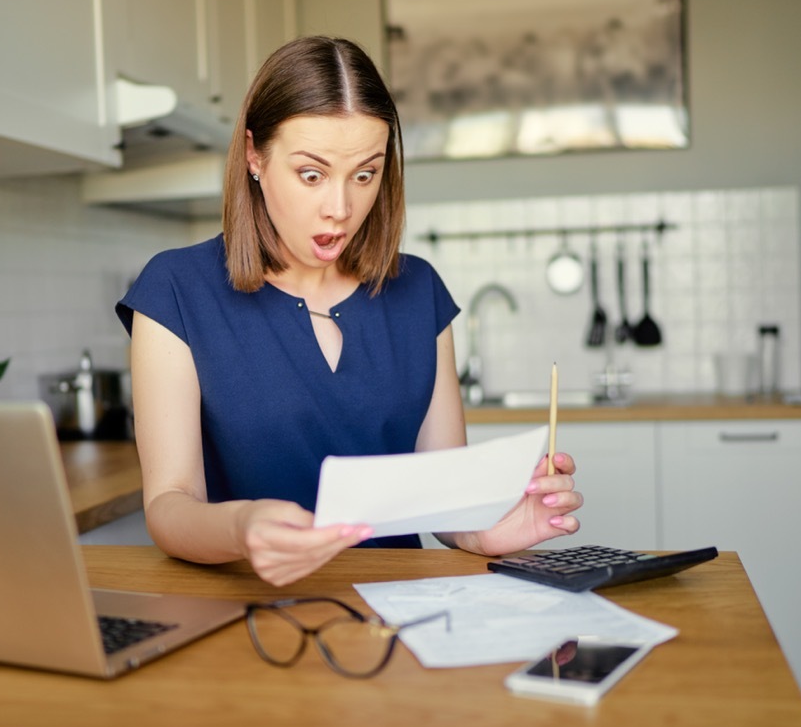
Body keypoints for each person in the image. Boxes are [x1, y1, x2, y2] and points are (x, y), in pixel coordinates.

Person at [116, 36, 582, 587]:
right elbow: (170, 504)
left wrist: (481, 531)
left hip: (399, 617)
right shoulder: (176, 289)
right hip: (245, 618)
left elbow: (441, 499)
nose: (340, 209)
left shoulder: (419, 293)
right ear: (254, 156)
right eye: (311, 175)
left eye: (365, 174)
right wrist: (241, 526)